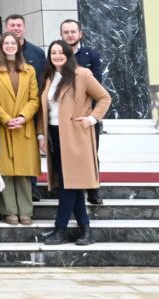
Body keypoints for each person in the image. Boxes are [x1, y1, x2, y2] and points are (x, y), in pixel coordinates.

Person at [39, 40, 112, 246]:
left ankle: (60, 229)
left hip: (75, 137)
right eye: (53, 52)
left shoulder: (82, 74)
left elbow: (105, 97)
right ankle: (86, 230)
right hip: (55, 136)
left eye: (60, 52)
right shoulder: (49, 76)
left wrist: (92, 119)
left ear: (68, 54)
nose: (57, 55)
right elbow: (44, 109)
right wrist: (41, 135)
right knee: (71, 184)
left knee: (68, 185)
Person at [0, 32, 41, 226]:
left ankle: (25, 210)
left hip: (23, 126)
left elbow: (34, 98)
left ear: (18, 46)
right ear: (1, 47)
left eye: (12, 43)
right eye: (6, 43)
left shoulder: (29, 70)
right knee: (5, 170)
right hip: (2, 125)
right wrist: (6, 118)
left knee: (24, 171)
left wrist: (23, 117)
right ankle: (9, 211)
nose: (9, 46)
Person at [60, 19, 106, 205]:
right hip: (65, 117)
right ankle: (67, 187)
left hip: (85, 115)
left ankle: (94, 190)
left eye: (73, 31)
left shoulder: (91, 55)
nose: (70, 35)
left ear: (80, 34)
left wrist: (93, 116)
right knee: (68, 154)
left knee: (90, 154)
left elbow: (97, 86)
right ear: (61, 35)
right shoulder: (58, 56)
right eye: (66, 32)